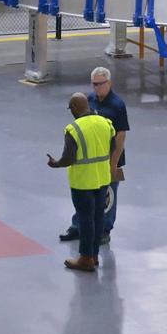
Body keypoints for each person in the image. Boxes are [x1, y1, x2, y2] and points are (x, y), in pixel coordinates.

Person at [47, 92, 119, 273]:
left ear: (74, 108)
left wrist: (55, 164)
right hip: (102, 179)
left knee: (85, 220)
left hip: (82, 183)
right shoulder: (105, 123)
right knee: (98, 218)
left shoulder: (73, 129)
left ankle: (85, 258)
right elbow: (113, 147)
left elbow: (69, 158)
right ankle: (94, 256)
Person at [61, 68, 130, 246]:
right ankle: (78, 226)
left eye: (100, 84)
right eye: (94, 84)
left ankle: (105, 230)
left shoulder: (117, 105)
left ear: (109, 83)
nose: (96, 87)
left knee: (108, 196)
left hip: (109, 159)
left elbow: (121, 136)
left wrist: (113, 164)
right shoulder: (90, 100)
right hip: (93, 158)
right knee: (84, 194)